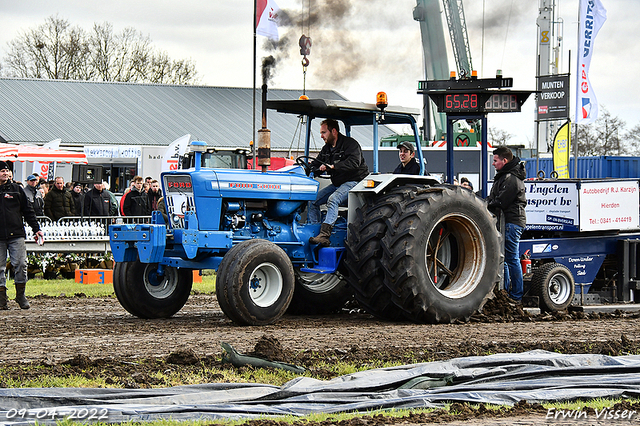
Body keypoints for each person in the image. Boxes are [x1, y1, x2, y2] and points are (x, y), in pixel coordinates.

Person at [308, 119, 369, 246]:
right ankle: (314, 230)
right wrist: (308, 168)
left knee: (333, 199)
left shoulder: (350, 144)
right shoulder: (327, 149)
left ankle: (325, 235)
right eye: (321, 133)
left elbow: (354, 163)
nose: (321, 136)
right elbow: (317, 164)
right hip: (338, 184)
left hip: (354, 182)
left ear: (334, 131)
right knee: (312, 200)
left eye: (324, 132)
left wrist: (333, 166)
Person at [0, 161, 44, 310]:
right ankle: (1, 298)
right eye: (2, 171)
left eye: (6, 171)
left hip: (16, 234)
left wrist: (36, 229)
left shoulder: (16, 190)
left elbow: (28, 211)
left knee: (21, 264)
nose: (5, 173)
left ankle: (20, 295)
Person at [486, 146, 527, 302]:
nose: (493, 164)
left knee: (511, 258)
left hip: (512, 222)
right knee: (506, 257)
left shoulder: (511, 178)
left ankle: (516, 295)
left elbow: (501, 201)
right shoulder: (505, 176)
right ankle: (506, 292)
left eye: (495, 161)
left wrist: (486, 205)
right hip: (508, 221)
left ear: (505, 160)